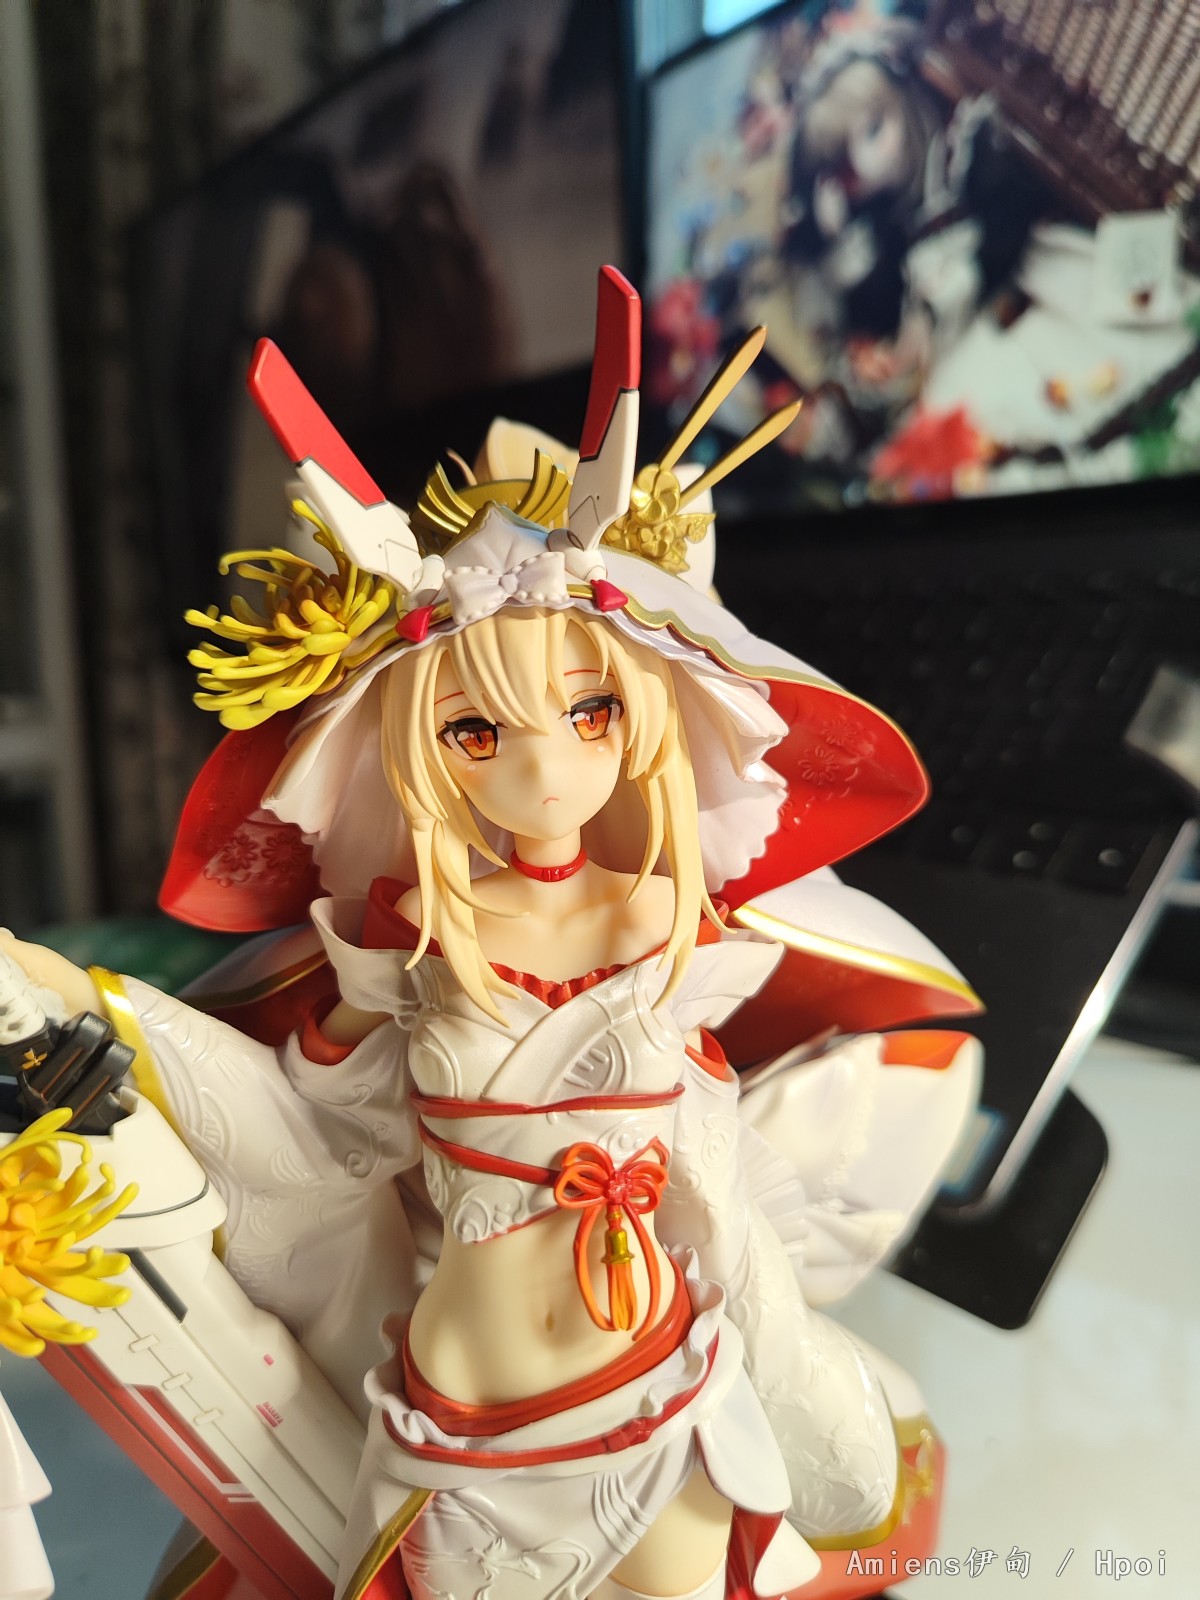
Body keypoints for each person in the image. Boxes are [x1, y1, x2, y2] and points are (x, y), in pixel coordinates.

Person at [1, 268, 979, 1600]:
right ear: (420, 753)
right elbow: (309, 1143)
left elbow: (722, 1165)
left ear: (643, 718)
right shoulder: (421, 945)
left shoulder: (662, 918)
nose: (544, 769)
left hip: (655, 1372)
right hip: (462, 1409)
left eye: (590, 714)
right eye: (474, 730)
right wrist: (81, 1004)